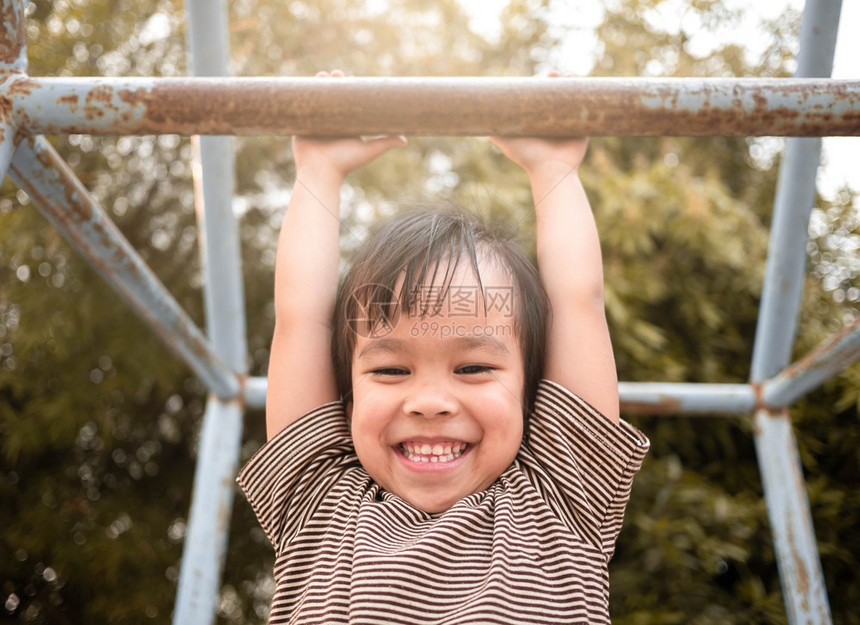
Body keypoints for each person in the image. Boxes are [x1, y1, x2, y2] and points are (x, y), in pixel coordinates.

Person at [237, 70, 649, 624]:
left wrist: (553, 169)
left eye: (474, 366)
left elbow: (578, 303)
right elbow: (302, 319)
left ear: (534, 387)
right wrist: (318, 170)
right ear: (347, 395)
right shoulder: (320, 503)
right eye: (389, 370)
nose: (429, 401)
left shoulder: (560, 498)